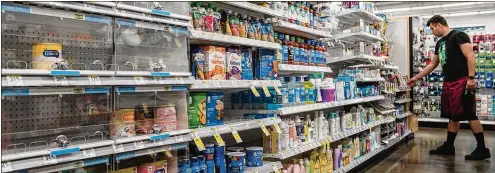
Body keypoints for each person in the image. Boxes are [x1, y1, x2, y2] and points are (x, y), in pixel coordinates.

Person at [407, 15, 490, 160]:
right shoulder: (440, 43)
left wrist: (471, 78)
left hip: (463, 81)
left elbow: (470, 56)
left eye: (432, 28)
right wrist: (416, 77)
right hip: (449, 82)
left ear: (438, 24)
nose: (432, 32)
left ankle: (482, 149)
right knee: (452, 115)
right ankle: (449, 146)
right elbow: (432, 64)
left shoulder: (459, 36)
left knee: (470, 114)